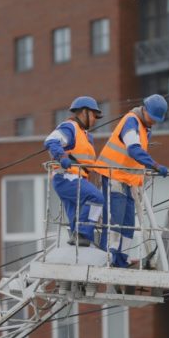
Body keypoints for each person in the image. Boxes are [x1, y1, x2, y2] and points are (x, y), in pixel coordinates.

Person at [95, 94, 169, 268]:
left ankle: (121, 260)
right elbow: (134, 149)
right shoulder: (131, 121)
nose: (154, 122)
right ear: (144, 109)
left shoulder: (144, 127)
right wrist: (154, 165)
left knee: (128, 224)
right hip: (114, 177)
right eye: (153, 117)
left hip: (128, 181)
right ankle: (107, 258)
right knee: (115, 221)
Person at [44, 96, 105, 247]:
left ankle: (77, 238)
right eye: (94, 115)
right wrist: (62, 157)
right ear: (84, 112)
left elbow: (86, 161)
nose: (95, 120)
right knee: (97, 197)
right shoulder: (70, 127)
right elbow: (51, 141)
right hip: (66, 177)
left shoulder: (86, 135)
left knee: (77, 213)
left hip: (75, 178)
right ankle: (82, 234)